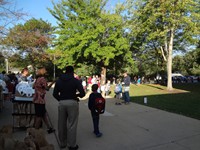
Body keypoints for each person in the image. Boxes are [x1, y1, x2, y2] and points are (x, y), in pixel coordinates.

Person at [53, 66, 85, 150]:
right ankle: (71, 145)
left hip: (62, 103)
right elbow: (82, 93)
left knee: (61, 123)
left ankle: (62, 143)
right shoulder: (75, 81)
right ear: (72, 72)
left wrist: (61, 99)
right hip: (72, 102)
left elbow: (54, 94)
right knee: (72, 124)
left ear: (65, 71)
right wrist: (76, 95)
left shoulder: (59, 81)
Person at [33, 67, 55, 133]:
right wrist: (53, 82)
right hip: (40, 100)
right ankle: (34, 132)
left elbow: (33, 86)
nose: (46, 71)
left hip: (36, 99)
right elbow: (47, 88)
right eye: (45, 70)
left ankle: (49, 128)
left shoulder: (37, 79)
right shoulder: (43, 79)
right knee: (39, 116)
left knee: (43, 115)